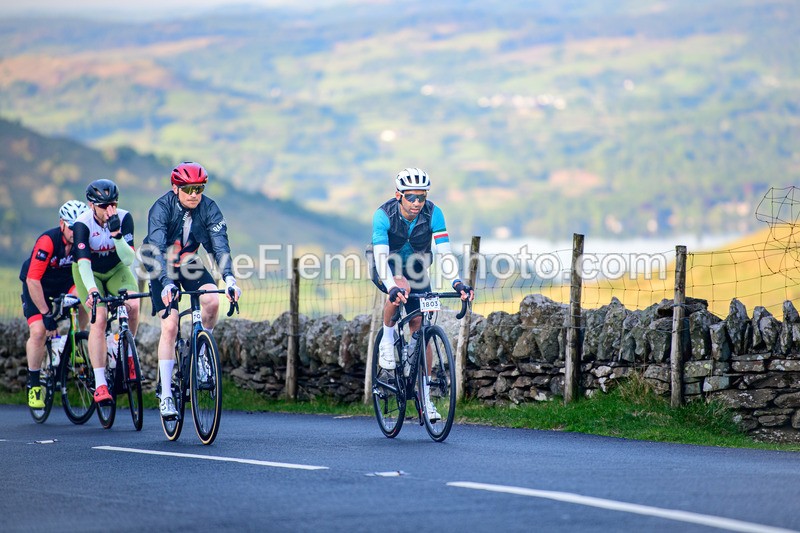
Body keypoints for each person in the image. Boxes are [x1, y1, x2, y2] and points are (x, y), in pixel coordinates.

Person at [370, 167, 474, 421]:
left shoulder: (434, 213)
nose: (417, 203)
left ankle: (425, 401)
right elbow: (382, 258)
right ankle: (387, 337)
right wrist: (392, 286)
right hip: (387, 267)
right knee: (402, 288)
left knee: (422, 327)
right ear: (399, 195)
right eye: (411, 197)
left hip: (417, 270)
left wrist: (458, 282)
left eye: (422, 197)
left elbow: (445, 252)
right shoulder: (383, 215)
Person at [141, 161, 241, 419]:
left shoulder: (209, 208)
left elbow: (220, 247)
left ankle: (202, 354)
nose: (194, 194)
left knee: (212, 301)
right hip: (160, 263)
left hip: (187, 262)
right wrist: (165, 283)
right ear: (176, 188)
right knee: (171, 325)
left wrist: (229, 279)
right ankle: (164, 394)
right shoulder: (161, 209)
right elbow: (156, 248)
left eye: (199, 188)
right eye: (188, 189)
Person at [72, 179, 140, 405]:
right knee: (98, 318)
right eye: (103, 206)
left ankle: (128, 356)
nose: (109, 210)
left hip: (115, 269)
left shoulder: (123, 217)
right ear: (91, 205)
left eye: (113, 204)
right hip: (89, 272)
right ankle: (100, 383)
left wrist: (116, 234)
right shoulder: (82, 224)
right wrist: (92, 290)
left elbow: (129, 259)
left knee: (134, 304)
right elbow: (83, 264)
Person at [20, 200, 90, 409]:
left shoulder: (82, 242)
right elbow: (33, 280)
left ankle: (77, 342)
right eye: (71, 227)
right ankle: (34, 385)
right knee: (40, 330)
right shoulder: (48, 241)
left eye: (79, 227)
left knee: (83, 300)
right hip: (37, 285)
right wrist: (46, 313)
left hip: (65, 284)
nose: (75, 232)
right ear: (62, 224)